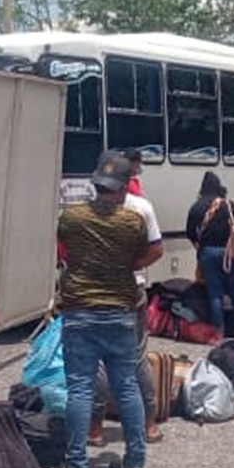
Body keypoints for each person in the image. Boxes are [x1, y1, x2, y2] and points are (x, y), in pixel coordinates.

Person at [57, 151, 157, 468]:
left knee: (81, 389)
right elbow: (151, 252)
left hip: (80, 311)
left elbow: (64, 252)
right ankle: (135, 463)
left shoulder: (71, 217)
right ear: (124, 185)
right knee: (126, 386)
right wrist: (128, 265)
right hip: (120, 311)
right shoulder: (133, 221)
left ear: (97, 182)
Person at [87, 160, 166, 446]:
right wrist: (131, 266)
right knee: (134, 358)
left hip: (97, 292)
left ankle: (95, 430)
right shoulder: (142, 208)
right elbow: (157, 249)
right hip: (131, 291)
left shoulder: (84, 210)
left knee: (97, 361)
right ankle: (149, 425)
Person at [186, 171, 234, 337]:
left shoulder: (197, 206)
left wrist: (199, 248)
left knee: (215, 293)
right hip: (228, 252)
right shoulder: (229, 204)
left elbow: (190, 233)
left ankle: (219, 331)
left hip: (208, 252)